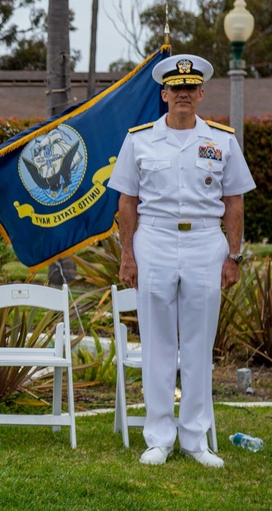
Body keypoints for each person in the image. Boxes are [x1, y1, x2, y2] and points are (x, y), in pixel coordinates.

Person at [109, 54, 255, 468]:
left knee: (197, 344)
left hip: (205, 242)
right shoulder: (139, 139)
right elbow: (127, 202)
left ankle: (194, 438)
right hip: (153, 239)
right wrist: (128, 255)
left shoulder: (222, 141)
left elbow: (234, 202)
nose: (183, 95)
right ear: (164, 94)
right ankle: (158, 436)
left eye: (190, 88)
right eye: (176, 89)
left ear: (201, 93)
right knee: (156, 342)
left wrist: (233, 256)